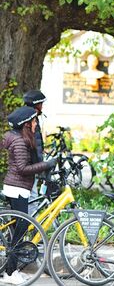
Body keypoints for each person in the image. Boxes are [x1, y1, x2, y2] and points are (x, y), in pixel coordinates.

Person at [0, 106, 56, 284]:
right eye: (33, 121)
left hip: (17, 187)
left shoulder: (20, 139)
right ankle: (10, 272)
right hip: (17, 188)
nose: (35, 124)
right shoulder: (20, 142)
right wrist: (46, 165)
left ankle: (11, 270)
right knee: (21, 229)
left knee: (18, 229)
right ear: (26, 124)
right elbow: (23, 169)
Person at [23, 90, 47, 215]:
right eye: (41, 104)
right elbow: (34, 147)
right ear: (36, 105)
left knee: (32, 195)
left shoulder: (26, 117)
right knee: (32, 197)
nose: (42, 106)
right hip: (30, 165)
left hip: (30, 164)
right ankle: (34, 227)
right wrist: (41, 166)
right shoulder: (30, 120)